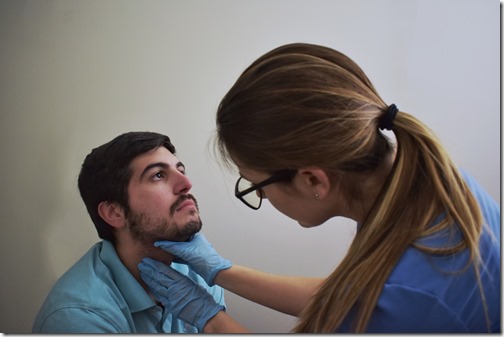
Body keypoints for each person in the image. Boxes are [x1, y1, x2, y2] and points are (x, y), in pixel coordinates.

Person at [138, 43, 501, 333]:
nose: (261, 196)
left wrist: (212, 321)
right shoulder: (429, 183)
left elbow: (381, 305)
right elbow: (356, 296)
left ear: (313, 180)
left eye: (256, 186)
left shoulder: (408, 306)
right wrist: (221, 271)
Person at [32, 131, 230, 333]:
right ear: (114, 212)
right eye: (158, 175)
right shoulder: (78, 318)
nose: (186, 184)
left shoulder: (199, 272)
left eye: (181, 170)